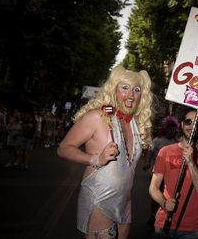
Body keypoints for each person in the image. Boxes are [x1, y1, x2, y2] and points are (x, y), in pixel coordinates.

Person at [57, 65, 153, 239]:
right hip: (99, 200)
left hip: (124, 203)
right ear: (114, 89)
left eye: (136, 89)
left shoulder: (135, 124)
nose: (131, 94)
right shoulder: (96, 117)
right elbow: (63, 149)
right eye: (125, 87)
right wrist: (96, 159)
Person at [149, 109, 198, 239]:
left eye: (196, 123)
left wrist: (191, 163)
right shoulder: (165, 151)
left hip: (191, 230)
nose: (192, 126)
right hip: (164, 223)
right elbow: (153, 187)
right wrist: (164, 203)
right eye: (188, 122)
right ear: (182, 124)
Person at [144, 116, 180, 226]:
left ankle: (166, 216)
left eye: (174, 129)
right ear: (165, 129)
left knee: (169, 196)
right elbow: (150, 152)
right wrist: (147, 162)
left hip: (171, 175)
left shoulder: (176, 142)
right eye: (170, 128)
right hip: (157, 173)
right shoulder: (157, 141)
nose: (172, 131)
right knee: (156, 194)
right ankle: (153, 215)